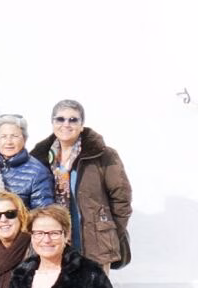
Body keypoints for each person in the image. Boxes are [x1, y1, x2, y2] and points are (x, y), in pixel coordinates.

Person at [30, 99, 133, 269]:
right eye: (60, 119)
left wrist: (109, 232)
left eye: (73, 119)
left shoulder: (103, 155)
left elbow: (122, 199)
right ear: (53, 123)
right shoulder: (40, 158)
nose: (66, 124)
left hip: (95, 247)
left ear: (82, 125)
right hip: (55, 246)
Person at [0, 114, 54, 209]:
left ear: (25, 139)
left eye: (14, 136)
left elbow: (43, 215)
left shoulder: (38, 172)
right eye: (3, 136)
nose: (9, 142)